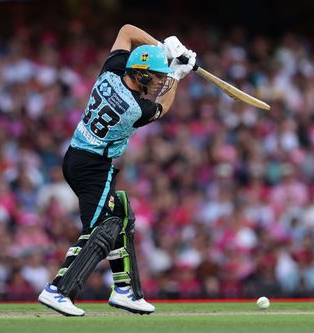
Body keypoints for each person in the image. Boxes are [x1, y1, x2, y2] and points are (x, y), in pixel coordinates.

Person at [38, 24, 196, 316]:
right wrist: (176, 73)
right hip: (93, 166)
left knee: (121, 215)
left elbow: (126, 31)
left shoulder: (110, 73)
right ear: (140, 75)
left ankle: (126, 291)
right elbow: (162, 109)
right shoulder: (134, 108)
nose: (161, 83)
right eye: (157, 77)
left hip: (78, 156)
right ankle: (59, 290)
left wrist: (166, 50)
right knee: (103, 228)